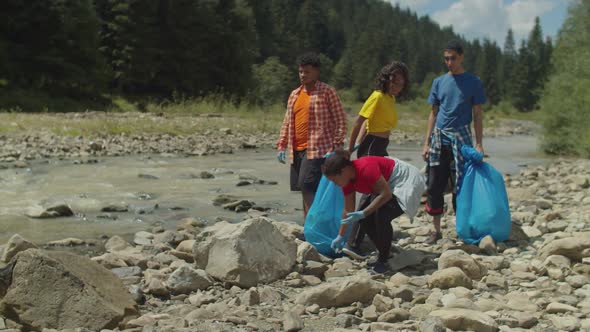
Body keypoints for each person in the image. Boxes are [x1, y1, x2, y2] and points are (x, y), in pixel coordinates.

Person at [422, 40, 486, 245]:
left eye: (453, 58)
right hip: (440, 138)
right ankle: (436, 230)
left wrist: (479, 143)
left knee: (462, 185)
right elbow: (433, 113)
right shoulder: (438, 82)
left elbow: (477, 114)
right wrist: (426, 142)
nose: (449, 62)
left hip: (462, 138)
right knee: (434, 185)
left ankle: (461, 227)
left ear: (462, 57)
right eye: (446, 58)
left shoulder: (473, 81)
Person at [343, 61, 410, 259]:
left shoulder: (390, 99)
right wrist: (351, 148)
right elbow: (359, 122)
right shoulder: (377, 96)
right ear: (386, 79)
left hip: (379, 145)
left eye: (401, 84)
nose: (397, 87)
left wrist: (360, 144)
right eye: (394, 82)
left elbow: (370, 122)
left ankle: (366, 238)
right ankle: (353, 242)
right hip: (372, 147)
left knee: (375, 192)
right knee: (370, 193)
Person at [323, 150, 426, 273]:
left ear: (344, 171)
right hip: (387, 184)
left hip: (406, 180)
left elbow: (386, 194)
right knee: (365, 221)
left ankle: (383, 260)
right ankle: (385, 251)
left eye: (335, 180)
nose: (335, 184)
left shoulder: (365, 168)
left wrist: (364, 212)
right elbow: (348, 210)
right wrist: (340, 236)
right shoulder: (347, 181)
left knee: (382, 216)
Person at [277, 52, 347, 221]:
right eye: (301, 71)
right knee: (304, 188)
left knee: (308, 186)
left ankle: (313, 225)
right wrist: (282, 145)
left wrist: (337, 144)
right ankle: (309, 225)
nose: (303, 75)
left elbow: (341, 120)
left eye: (307, 72)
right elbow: (287, 121)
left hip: (317, 149)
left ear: (317, 72)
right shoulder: (295, 94)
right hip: (296, 149)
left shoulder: (327, 92)